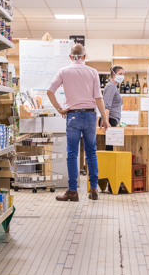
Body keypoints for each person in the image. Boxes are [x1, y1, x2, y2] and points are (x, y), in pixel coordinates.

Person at [47, 44, 109, 202]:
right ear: (85, 56)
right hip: (89, 116)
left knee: (72, 155)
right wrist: (105, 119)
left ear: (70, 57)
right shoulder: (93, 72)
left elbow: (50, 91)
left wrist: (59, 108)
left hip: (72, 116)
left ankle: (73, 191)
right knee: (91, 153)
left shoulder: (64, 71)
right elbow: (98, 98)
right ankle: (93, 190)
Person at [102, 65, 124, 151]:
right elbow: (107, 106)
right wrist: (106, 121)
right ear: (114, 75)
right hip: (109, 120)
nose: (122, 76)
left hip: (112, 119)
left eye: (123, 74)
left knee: (111, 148)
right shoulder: (111, 86)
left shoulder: (114, 87)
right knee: (109, 149)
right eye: (120, 73)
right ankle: (107, 165)